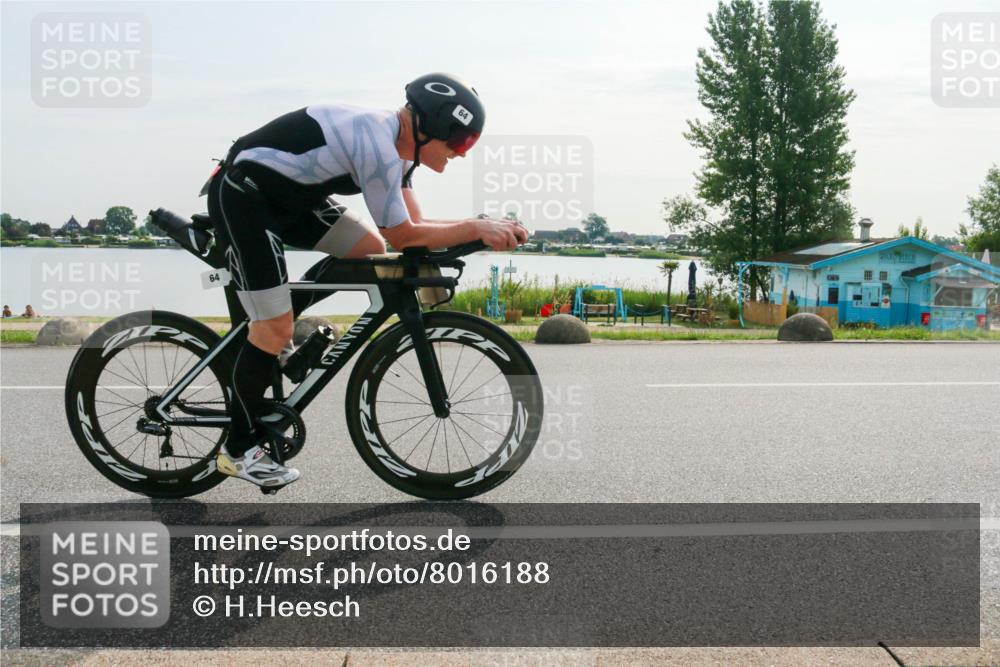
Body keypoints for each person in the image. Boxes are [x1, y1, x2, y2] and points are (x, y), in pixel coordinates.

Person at [206, 73, 528, 489]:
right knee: (272, 327)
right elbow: (406, 236)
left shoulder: (401, 152)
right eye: (460, 141)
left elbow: (413, 226)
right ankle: (238, 450)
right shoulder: (377, 145)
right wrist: (474, 228)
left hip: (290, 199)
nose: (461, 153)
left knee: (368, 248)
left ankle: (279, 330)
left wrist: (479, 226)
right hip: (245, 196)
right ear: (432, 125)